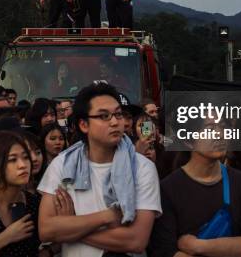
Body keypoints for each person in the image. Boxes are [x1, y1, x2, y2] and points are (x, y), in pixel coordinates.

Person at [38, 82, 161, 256]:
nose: (115, 122)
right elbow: (47, 230)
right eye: (104, 116)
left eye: (118, 114)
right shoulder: (63, 165)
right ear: (83, 125)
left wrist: (70, 225)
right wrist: (107, 216)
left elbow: (135, 241)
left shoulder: (142, 167)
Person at [149, 116, 241, 257]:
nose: (220, 134)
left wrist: (199, 246)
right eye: (210, 128)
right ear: (188, 141)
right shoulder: (168, 188)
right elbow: (164, 250)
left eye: (223, 126)